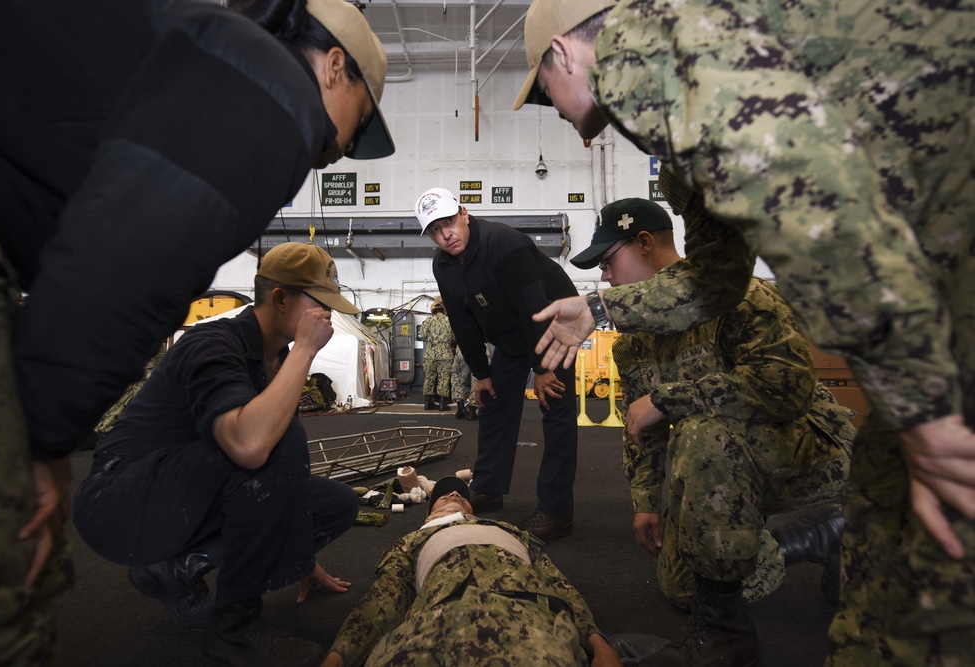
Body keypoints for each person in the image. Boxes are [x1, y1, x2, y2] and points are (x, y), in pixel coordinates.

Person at [513, 1, 975, 664]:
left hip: (940, 277)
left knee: (929, 560)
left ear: (562, 54)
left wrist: (923, 409)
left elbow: (821, 213)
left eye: (545, 94)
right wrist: (601, 310)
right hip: (930, 258)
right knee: (875, 506)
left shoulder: (667, 62)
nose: (557, 113)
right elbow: (714, 275)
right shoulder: (686, 102)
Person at [0, 0, 392, 661]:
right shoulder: (277, 95)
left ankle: (190, 570)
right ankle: (234, 634)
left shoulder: (214, 55)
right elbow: (122, 267)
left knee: (313, 489)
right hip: (121, 495)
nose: (340, 147)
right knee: (3, 582)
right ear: (333, 67)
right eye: (358, 120)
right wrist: (42, 440)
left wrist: (295, 547)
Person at [572, 197, 855, 661]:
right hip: (718, 468)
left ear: (644, 243)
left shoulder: (737, 294)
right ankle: (820, 538)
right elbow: (643, 435)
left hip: (807, 452)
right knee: (684, 588)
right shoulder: (633, 345)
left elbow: (786, 386)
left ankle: (728, 641)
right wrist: (646, 503)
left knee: (700, 430)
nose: (605, 277)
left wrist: (668, 400)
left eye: (607, 261)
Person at [72, 242, 359, 664]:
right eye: (321, 305)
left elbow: (277, 477)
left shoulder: (271, 357)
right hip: (117, 506)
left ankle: (177, 568)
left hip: (175, 496)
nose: (328, 317)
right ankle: (235, 631)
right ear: (280, 299)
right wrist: (305, 350)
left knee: (335, 504)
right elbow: (249, 445)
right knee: (277, 440)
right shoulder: (210, 344)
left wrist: (300, 558)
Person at [413, 187, 580, 543]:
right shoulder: (443, 264)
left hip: (552, 325)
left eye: (448, 223)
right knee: (492, 404)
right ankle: (488, 488)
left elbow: (533, 306)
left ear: (464, 212)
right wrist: (482, 373)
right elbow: (462, 320)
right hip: (510, 335)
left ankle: (557, 509)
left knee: (556, 407)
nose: (445, 235)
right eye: (434, 230)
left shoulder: (504, 243)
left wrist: (544, 368)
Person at [319, 476, 622, 667]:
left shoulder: (510, 531)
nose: (455, 495)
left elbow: (557, 583)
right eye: (444, 495)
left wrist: (597, 642)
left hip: (526, 620)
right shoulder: (413, 540)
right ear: (429, 513)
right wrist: (340, 654)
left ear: (472, 510)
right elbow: (386, 597)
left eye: (462, 496)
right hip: (432, 626)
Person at [421, 296, 455, 411]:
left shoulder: (427, 322)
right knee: (444, 378)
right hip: (445, 354)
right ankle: (442, 403)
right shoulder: (449, 321)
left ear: (433, 310)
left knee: (429, 378)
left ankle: (428, 402)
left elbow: (424, 337)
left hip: (430, 354)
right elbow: (454, 338)